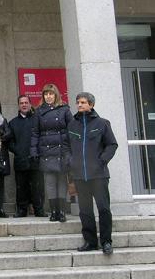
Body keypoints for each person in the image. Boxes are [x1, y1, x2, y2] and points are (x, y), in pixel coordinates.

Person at [67, 92, 118, 255]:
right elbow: (67, 146)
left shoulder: (102, 123)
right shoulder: (72, 125)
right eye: (78, 102)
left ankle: (106, 242)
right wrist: (70, 161)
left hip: (99, 175)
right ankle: (90, 241)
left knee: (103, 209)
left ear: (91, 105)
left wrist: (101, 161)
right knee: (85, 210)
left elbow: (112, 145)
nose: (80, 105)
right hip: (80, 176)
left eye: (83, 102)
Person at [31, 83, 72, 223]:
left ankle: (61, 211)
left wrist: (70, 149)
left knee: (61, 181)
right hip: (46, 150)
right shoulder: (38, 111)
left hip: (62, 149)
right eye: (46, 94)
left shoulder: (65, 110)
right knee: (50, 182)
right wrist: (34, 151)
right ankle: (54, 211)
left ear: (56, 95)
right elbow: (35, 133)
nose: (48, 97)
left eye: (51, 94)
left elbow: (71, 130)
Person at [9, 95, 46, 217]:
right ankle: (21, 210)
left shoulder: (37, 120)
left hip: (35, 160)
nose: (24, 105)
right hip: (20, 160)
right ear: (18, 105)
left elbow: (42, 138)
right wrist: (18, 150)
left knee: (37, 187)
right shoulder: (13, 123)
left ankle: (39, 209)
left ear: (30, 104)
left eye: (26, 102)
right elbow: (9, 142)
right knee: (21, 187)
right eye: (21, 103)